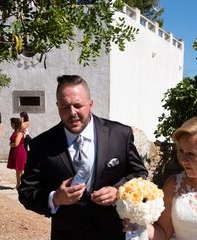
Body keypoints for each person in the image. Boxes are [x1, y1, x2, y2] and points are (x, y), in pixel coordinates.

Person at [18, 75, 148, 240]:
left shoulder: (120, 135)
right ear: (57, 106)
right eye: (65, 107)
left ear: (90, 104)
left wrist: (119, 191)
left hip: (112, 233)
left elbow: (139, 174)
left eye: (78, 105)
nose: (72, 113)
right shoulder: (41, 145)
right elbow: (26, 192)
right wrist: (56, 198)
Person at [7, 118, 27, 189]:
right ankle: (21, 184)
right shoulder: (15, 131)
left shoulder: (20, 132)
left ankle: (19, 185)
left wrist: (10, 144)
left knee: (19, 169)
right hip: (15, 151)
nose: (11, 125)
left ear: (15, 124)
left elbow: (16, 144)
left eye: (11, 123)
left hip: (19, 151)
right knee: (18, 169)